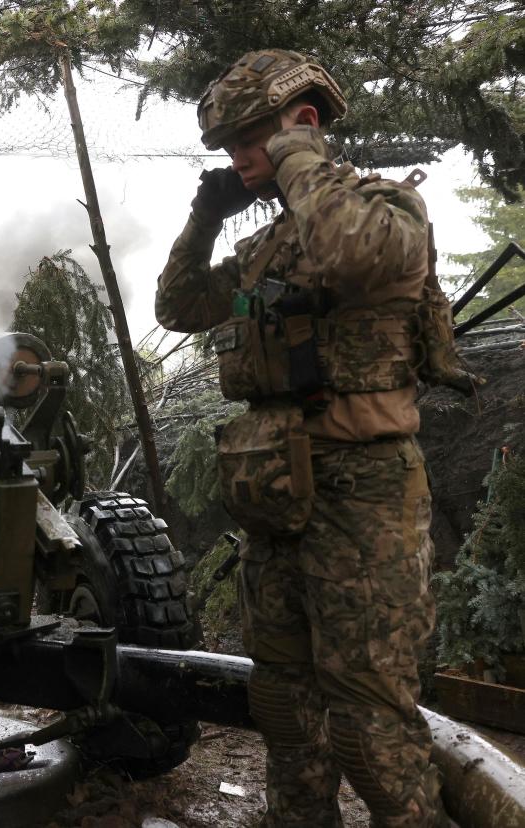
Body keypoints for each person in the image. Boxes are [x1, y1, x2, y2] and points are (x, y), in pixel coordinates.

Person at [156, 49, 449, 827]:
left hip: (366, 491)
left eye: (251, 141)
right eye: (227, 149)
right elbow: (180, 306)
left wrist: (297, 155)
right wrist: (204, 218)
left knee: (368, 717)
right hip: (279, 495)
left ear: (304, 122)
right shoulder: (265, 248)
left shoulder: (384, 211)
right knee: (283, 701)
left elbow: (347, 251)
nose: (239, 161)